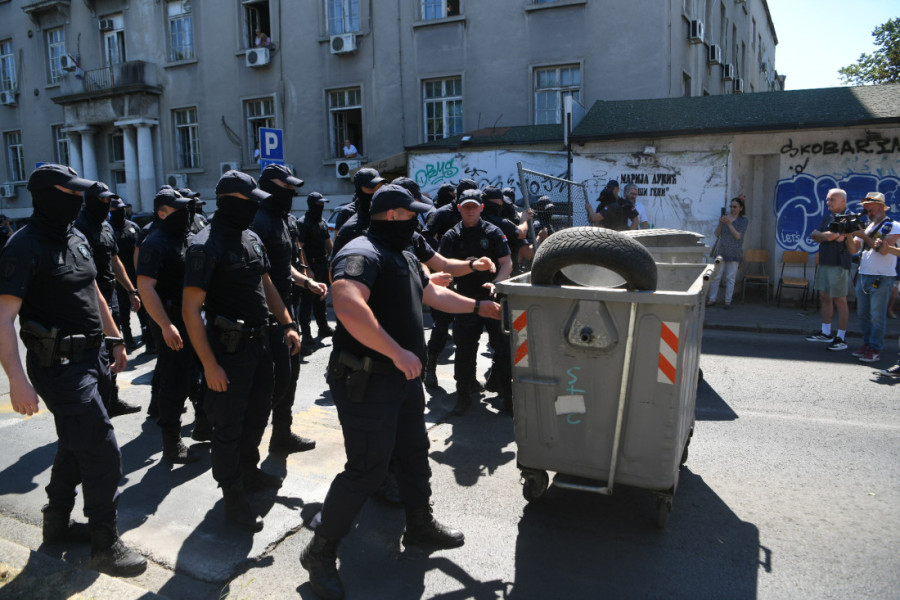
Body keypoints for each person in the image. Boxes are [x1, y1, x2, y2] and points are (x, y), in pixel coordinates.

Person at [299, 184, 501, 599]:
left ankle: (419, 523)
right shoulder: (362, 251)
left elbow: (431, 293)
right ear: (393, 215)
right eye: (413, 214)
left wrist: (478, 307)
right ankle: (319, 552)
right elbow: (348, 304)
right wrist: (396, 352)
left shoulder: (404, 252)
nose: (419, 221)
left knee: (412, 451)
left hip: (402, 378)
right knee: (367, 469)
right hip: (369, 378)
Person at [0, 164, 146, 576]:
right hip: (58, 364)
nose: (78, 199)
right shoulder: (22, 247)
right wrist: (17, 382)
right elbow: (3, 318)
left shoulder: (76, 235)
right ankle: (105, 543)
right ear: (48, 196)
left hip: (93, 357)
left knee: (73, 441)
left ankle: (57, 524)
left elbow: (93, 289)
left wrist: (115, 338)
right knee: (101, 449)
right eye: (70, 192)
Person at [182, 170, 302, 531]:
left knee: (258, 413)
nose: (254, 209)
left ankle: (248, 472)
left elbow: (264, 282)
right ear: (231, 202)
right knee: (228, 426)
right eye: (249, 202)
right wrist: (209, 365)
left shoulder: (250, 236)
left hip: (260, 343)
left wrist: (287, 323)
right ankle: (232, 495)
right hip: (226, 351)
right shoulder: (206, 245)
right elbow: (190, 310)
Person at [254, 164, 327, 454]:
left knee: (290, 372)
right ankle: (249, 447)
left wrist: (308, 282)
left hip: (287, 306)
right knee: (271, 379)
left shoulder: (283, 220)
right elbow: (263, 275)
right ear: (270, 187)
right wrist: (285, 322)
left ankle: (281, 434)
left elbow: (285, 266)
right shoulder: (257, 221)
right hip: (266, 313)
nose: (293, 193)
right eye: (287, 188)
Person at [137, 188, 206, 463]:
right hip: (171, 320)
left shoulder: (187, 238)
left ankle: (203, 423)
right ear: (162, 213)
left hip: (194, 318)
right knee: (175, 379)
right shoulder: (155, 242)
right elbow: (146, 286)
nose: (186, 214)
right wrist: (165, 325)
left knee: (198, 374)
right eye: (179, 209)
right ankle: (172, 441)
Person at [438, 190, 514, 415]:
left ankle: (508, 398)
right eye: (466, 206)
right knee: (464, 350)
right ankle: (463, 396)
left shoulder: (493, 231)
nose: (470, 210)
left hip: (493, 298)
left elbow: (507, 262)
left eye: (474, 206)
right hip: (464, 300)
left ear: (481, 208)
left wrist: (496, 284)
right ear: (460, 208)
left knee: (503, 348)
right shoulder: (451, 235)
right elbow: (443, 265)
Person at [74, 182, 143, 417]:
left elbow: (115, 262)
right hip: (89, 298)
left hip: (110, 293)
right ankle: (97, 405)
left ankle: (111, 400)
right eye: (102, 201)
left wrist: (132, 291)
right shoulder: (78, 228)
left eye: (108, 201)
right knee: (95, 354)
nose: (107, 205)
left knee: (113, 348)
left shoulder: (105, 227)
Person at [846, 192, 899, 364]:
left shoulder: (893, 226)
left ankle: (875, 348)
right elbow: (853, 250)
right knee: (863, 314)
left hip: (882, 276)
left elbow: (883, 249)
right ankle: (867, 344)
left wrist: (864, 236)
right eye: (867, 210)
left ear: (882, 208)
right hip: (864, 274)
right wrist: (848, 233)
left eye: (871, 209)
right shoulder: (867, 227)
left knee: (877, 315)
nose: (868, 213)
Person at [805, 188, 854, 351]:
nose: (828, 202)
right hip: (825, 261)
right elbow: (816, 234)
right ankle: (826, 333)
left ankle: (841, 337)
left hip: (839, 263)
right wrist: (825, 236)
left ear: (843, 201)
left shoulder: (848, 217)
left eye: (832, 199)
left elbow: (828, 236)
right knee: (824, 296)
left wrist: (824, 236)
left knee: (839, 299)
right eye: (827, 199)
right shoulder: (828, 217)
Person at [296, 192, 334, 353]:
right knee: (307, 302)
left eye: (322, 203)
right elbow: (300, 247)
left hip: (322, 265)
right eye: (318, 204)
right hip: (310, 267)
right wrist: (306, 269)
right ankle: (306, 334)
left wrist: (333, 261)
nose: (321, 206)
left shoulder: (322, 222)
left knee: (321, 298)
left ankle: (323, 327)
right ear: (311, 204)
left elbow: (328, 243)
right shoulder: (303, 223)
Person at [109, 198, 141, 349]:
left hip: (136, 274)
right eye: (116, 210)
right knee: (123, 309)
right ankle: (127, 337)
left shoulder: (133, 227)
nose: (120, 212)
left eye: (122, 209)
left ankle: (147, 335)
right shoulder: (108, 230)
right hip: (119, 277)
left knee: (142, 307)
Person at [707, 196, 749, 310]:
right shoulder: (725, 218)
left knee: (730, 278)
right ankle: (712, 299)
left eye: (735, 207)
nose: (732, 209)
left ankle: (728, 301)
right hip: (721, 250)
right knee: (716, 276)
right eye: (731, 206)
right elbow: (717, 234)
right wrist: (721, 223)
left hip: (734, 252)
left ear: (741, 208)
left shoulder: (743, 221)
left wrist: (729, 224)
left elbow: (738, 236)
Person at [332, 168, 385, 253]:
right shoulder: (349, 219)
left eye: (379, 187)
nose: (376, 192)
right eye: (371, 188)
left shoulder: (389, 214)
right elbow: (338, 252)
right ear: (359, 190)